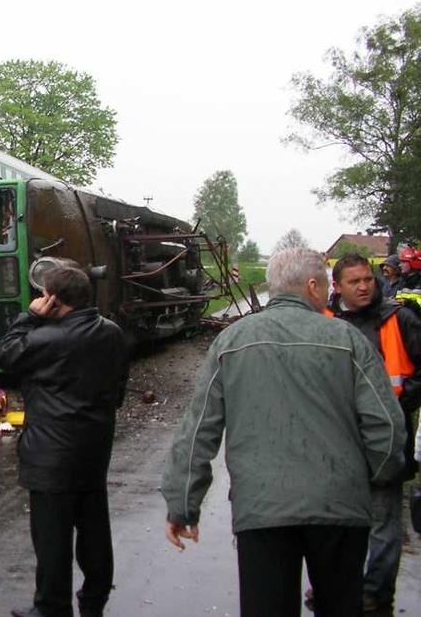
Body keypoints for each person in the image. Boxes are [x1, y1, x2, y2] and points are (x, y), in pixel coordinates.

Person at [161, 248, 405, 617]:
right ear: (311, 286)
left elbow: (197, 430)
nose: (328, 294)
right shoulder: (348, 340)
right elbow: (385, 425)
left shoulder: (231, 341)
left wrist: (183, 504)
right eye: (325, 285)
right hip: (340, 508)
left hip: (262, 511)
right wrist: (376, 476)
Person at [0, 265, 128, 617]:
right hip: (94, 448)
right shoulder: (112, 333)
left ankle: (51, 607)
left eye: (43, 295)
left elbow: (7, 355)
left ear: (53, 300)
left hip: (51, 456)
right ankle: (94, 601)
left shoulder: (48, 338)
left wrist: (29, 317)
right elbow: (118, 389)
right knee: (94, 530)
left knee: (52, 538)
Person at [325, 253, 421, 612]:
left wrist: (397, 404)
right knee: (336, 521)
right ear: (337, 287)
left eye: (368, 279)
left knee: (383, 519)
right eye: (355, 281)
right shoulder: (324, 321)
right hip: (338, 439)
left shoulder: (400, 319)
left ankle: (375, 593)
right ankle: (337, 586)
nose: (365, 286)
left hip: (387, 437)